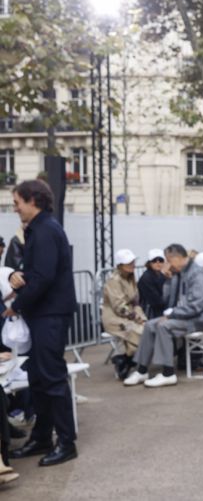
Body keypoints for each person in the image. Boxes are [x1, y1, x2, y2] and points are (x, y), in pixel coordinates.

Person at [4, 180, 78, 466]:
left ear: (32, 200)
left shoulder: (45, 230)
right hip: (43, 314)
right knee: (38, 377)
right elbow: (39, 271)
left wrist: (17, 305)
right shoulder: (40, 229)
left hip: (50, 315)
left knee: (52, 377)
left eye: (17, 202)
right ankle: (42, 437)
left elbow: (45, 277)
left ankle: (66, 442)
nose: (15, 207)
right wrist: (19, 278)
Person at [123, 243, 203, 388]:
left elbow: (196, 306)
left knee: (164, 326)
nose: (166, 264)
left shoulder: (197, 274)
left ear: (177, 258)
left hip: (202, 318)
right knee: (149, 325)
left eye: (168, 260)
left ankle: (168, 373)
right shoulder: (178, 272)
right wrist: (167, 279)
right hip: (185, 315)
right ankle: (141, 370)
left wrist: (172, 314)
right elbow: (167, 300)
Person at [102, 249, 147, 380]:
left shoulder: (130, 277)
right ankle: (127, 360)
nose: (132, 264)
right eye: (128, 263)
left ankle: (125, 359)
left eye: (132, 261)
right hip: (114, 318)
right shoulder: (114, 280)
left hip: (130, 314)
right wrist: (137, 318)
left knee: (147, 329)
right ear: (120, 265)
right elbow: (119, 307)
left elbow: (135, 302)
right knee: (138, 331)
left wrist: (142, 318)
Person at [138, 248, 168, 319]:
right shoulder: (146, 277)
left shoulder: (163, 275)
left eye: (161, 260)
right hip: (151, 313)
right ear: (149, 263)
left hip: (160, 310)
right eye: (154, 260)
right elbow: (156, 300)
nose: (158, 263)